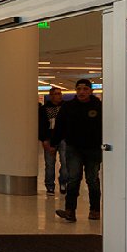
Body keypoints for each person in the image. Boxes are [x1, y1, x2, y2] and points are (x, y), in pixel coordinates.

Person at [53, 79, 102, 222]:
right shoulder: (68, 107)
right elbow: (60, 126)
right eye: (79, 89)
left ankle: (95, 210)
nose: (82, 92)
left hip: (93, 149)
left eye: (85, 89)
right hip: (73, 148)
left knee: (92, 180)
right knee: (73, 179)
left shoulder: (98, 106)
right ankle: (70, 211)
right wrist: (54, 143)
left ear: (91, 91)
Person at [38, 87, 67, 195]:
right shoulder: (44, 109)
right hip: (49, 138)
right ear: (51, 96)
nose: (59, 96)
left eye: (60, 93)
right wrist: (44, 140)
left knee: (65, 163)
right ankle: (50, 185)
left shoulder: (66, 107)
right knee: (50, 164)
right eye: (56, 94)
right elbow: (41, 125)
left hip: (64, 138)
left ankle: (63, 182)